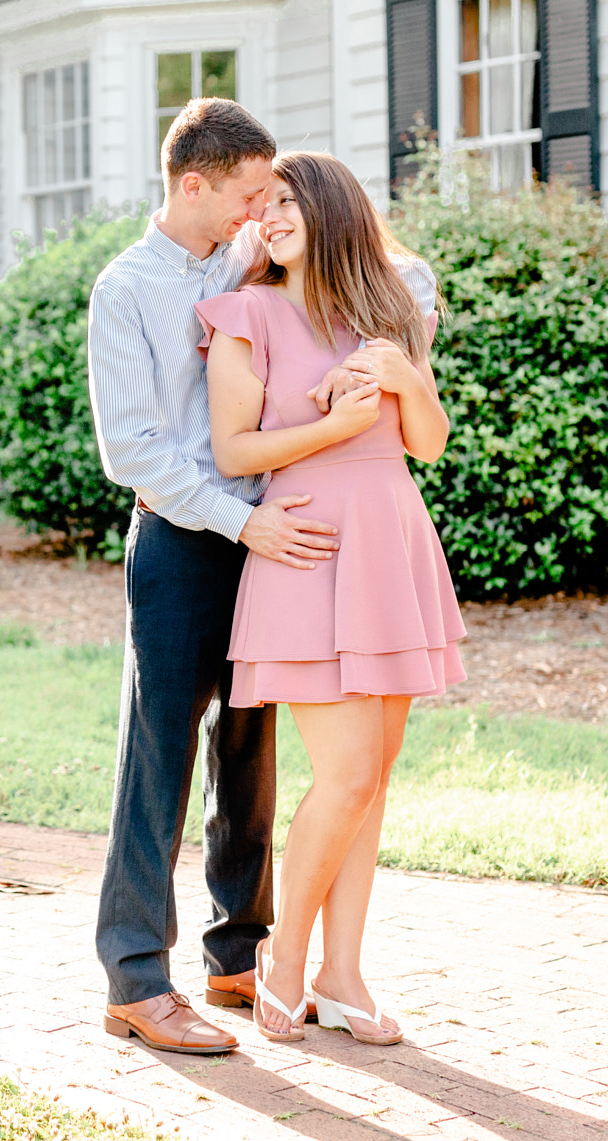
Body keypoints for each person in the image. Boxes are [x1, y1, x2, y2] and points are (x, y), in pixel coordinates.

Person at [87, 101, 430, 1055]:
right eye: (246, 192)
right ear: (194, 184)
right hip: (192, 535)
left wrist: (391, 338)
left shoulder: (243, 262)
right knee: (159, 751)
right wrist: (245, 520)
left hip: (275, 534)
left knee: (252, 749)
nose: (258, 211)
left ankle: (237, 951)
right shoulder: (127, 290)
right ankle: (136, 979)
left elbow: (382, 267)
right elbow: (134, 453)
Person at [193, 150, 465, 1048]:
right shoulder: (247, 313)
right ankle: (283, 963)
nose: (266, 216)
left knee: (372, 781)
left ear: (331, 210)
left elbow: (426, 443)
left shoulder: (386, 315)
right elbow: (234, 451)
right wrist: (340, 423)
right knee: (344, 773)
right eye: (259, 205)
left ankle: (344, 976)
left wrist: (404, 376)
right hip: (309, 551)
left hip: (393, 545)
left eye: (283, 202)